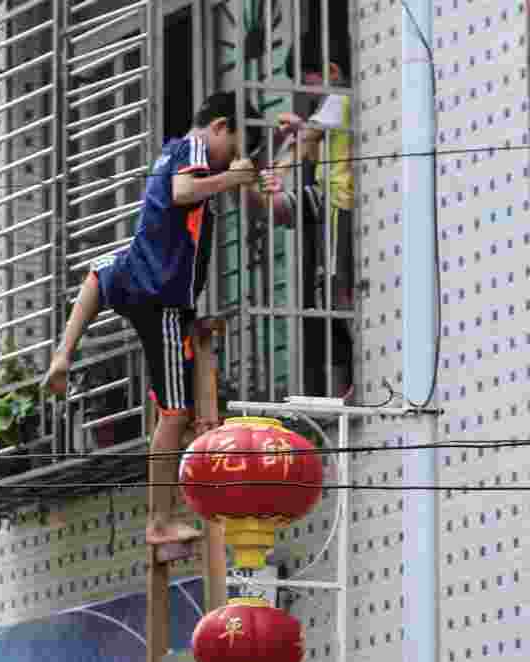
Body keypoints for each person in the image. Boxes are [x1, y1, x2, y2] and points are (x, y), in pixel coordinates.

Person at [43, 92, 257, 547]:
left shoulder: (167, 160)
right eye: (234, 146)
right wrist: (231, 179)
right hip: (163, 302)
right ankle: (161, 519)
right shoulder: (192, 150)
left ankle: (165, 508)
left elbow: (96, 281)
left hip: (140, 279)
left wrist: (63, 355)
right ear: (219, 127)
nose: (232, 159)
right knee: (175, 412)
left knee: (105, 276)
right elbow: (185, 191)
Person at [257, 43, 354, 397]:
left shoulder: (339, 98)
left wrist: (280, 166)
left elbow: (308, 140)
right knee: (328, 291)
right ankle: (344, 378)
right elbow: (312, 144)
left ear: (329, 72)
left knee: (335, 289)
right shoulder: (331, 107)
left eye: (308, 82)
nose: (308, 92)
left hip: (339, 200)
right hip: (327, 197)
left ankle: (349, 376)